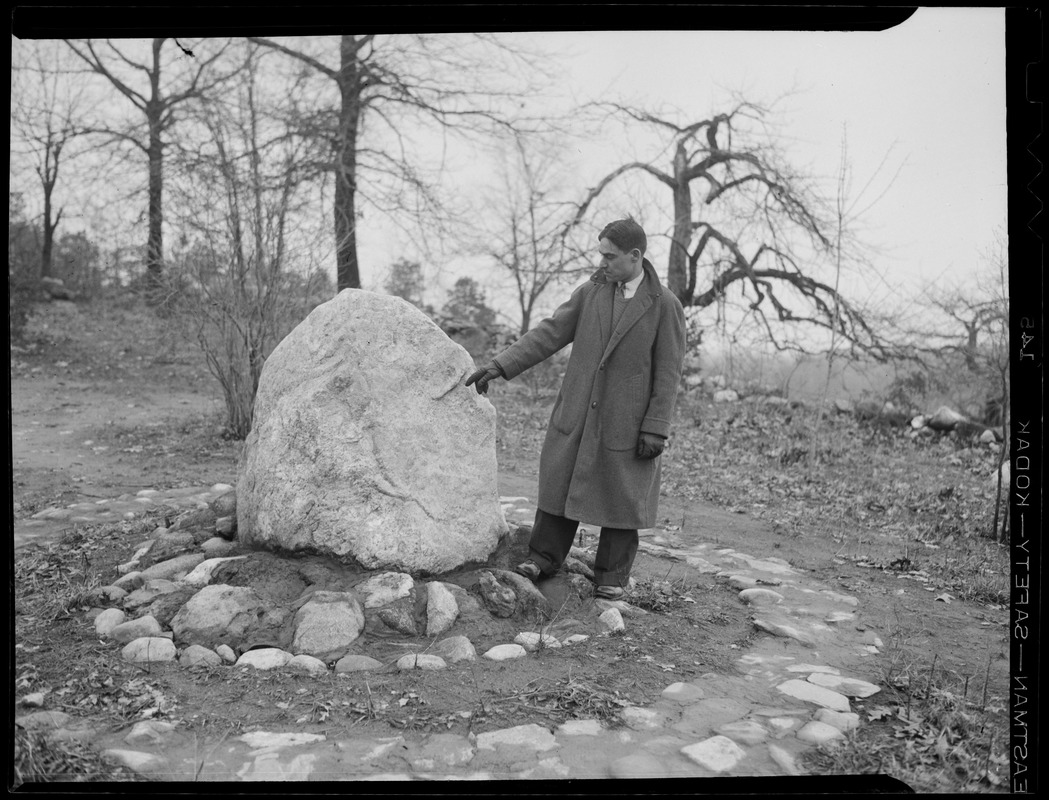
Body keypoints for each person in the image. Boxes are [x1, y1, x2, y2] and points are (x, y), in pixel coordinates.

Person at [466, 218, 686, 600]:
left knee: (622, 499)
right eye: (600, 254)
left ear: (635, 257)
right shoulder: (591, 293)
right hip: (578, 412)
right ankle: (543, 558)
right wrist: (501, 365)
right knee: (560, 482)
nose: (602, 262)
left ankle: (611, 578)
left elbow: (669, 372)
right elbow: (549, 334)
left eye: (610, 256)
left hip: (628, 423)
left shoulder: (664, 305)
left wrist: (656, 427)